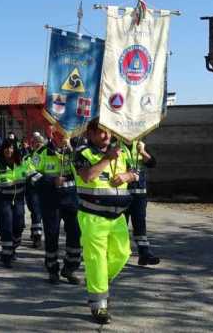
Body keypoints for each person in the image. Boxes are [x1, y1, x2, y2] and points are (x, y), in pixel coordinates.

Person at [73, 119, 138, 324]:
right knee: (96, 259)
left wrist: (128, 176)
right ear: (90, 134)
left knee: (122, 254)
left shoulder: (122, 152)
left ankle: (100, 279)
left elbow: (137, 173)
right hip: (92, 216)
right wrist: (106, 159)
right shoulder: (82, 154)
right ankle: (98, 305)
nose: (107, 136)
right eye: (101, 132)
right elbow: (87, 177)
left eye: (109, 132)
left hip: (117, 216)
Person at [32, 126, 81, 285]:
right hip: (50, 201)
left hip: (72, 199)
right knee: (52, 236)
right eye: (60, 134)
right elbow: (30, 174)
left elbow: (83, 169)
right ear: (53, 135)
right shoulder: (41, 152)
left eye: (66, 134)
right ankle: (52, 269)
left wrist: (72, 150)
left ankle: (70, 268)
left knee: (75, 235)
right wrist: (51, 181)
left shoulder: (73, 152)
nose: (63, 137)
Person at [0, 139, 29, 268]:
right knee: (6, 227)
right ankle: (6, 255)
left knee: (19, 226)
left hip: (19, 200)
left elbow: (33, 177)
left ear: (15, 150)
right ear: (3, 150)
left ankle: (13, 247)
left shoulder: (22, 164)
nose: (9, 150)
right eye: (7, 148)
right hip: (2, 201)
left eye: (12, 148)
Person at [123, 140, 160, 266]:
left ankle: (144, 253)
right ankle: (120, 253)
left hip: (139, 193)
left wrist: (143, 152)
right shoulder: (115, 146)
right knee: (121, 225)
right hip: (121, 192)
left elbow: (152, 163)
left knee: (140, 223)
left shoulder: (140, 144)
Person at [22, 132, 44, 249]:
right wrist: (43, 178)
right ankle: (35, 233)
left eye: (40, 143)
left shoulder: (47, 155)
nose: (38, 145)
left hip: (44, 189)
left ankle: (37, 236)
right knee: (35, 212)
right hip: (32, 188)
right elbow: (28, 172)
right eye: (36, 143)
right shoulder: (28, 157)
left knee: (37, 212)